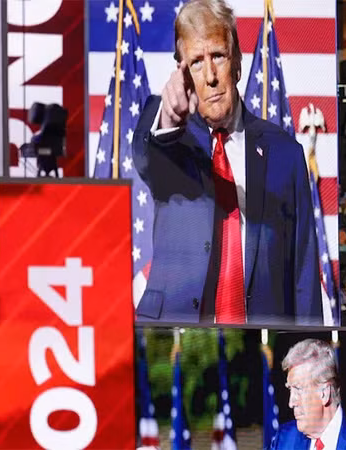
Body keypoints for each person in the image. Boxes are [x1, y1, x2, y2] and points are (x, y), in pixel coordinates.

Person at [133, 0, 321, 325]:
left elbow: (303, 268)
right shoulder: (165, 130)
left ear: (236, 61)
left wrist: (311, 356)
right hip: (172, 346)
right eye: (196, 62)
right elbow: (148, 157)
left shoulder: (285, 152)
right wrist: (169, 115)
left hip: (260, 344)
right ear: (183, 73)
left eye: (217, 56)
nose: (210, 77)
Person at [271, 339, 346, 449]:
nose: (291, 403)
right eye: (290, 390)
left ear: (325, 393)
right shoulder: (284, 439)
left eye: (298, 389)